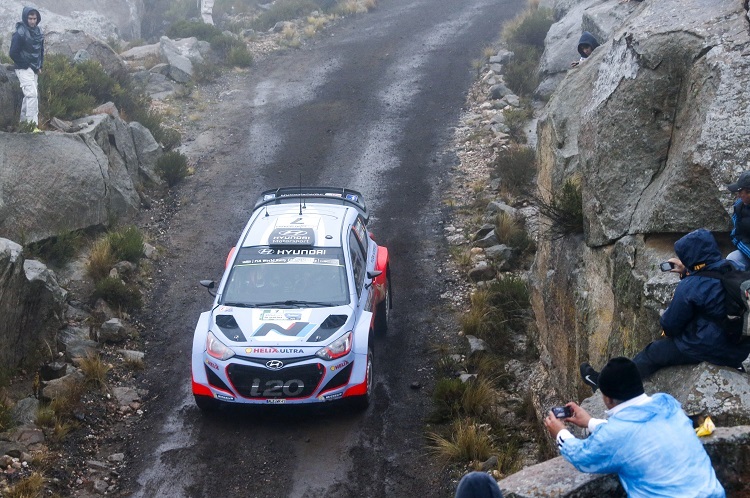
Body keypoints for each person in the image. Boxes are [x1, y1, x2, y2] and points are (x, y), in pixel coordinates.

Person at [581, 228, 750, 387]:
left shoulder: (690, 286)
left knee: (652, 352)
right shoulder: (734, 268)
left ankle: (606, 385)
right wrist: (688, 271)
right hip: (739, 349)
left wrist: (686, 278)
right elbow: (710, 281)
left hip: (710, 347)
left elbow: (670, 325)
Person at [545, 357, 725, 497]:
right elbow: (638, 432)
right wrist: (590, 422)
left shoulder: (617, 435)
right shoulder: (666, 402)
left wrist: (560, 433)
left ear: (607, 399)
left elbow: (582, 457)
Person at [9, 6, 44, 130]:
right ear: (25, 18)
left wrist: (40, 65)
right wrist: (25, 65)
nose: (32, 21)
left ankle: (23, 123)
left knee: (29, 96)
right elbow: (13, 52)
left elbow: (40, 50)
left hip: (34, 69)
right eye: (30, 18)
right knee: (32, 95)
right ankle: (31, 126)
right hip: (23, 68)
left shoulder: (39, 31)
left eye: (34, 18)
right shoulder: (19, 32)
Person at [726, 171, 750, 271]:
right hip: (748, 249)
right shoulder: (739, 207)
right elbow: (735, 235)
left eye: (741, 192)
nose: (739, 195)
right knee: (732, 259)